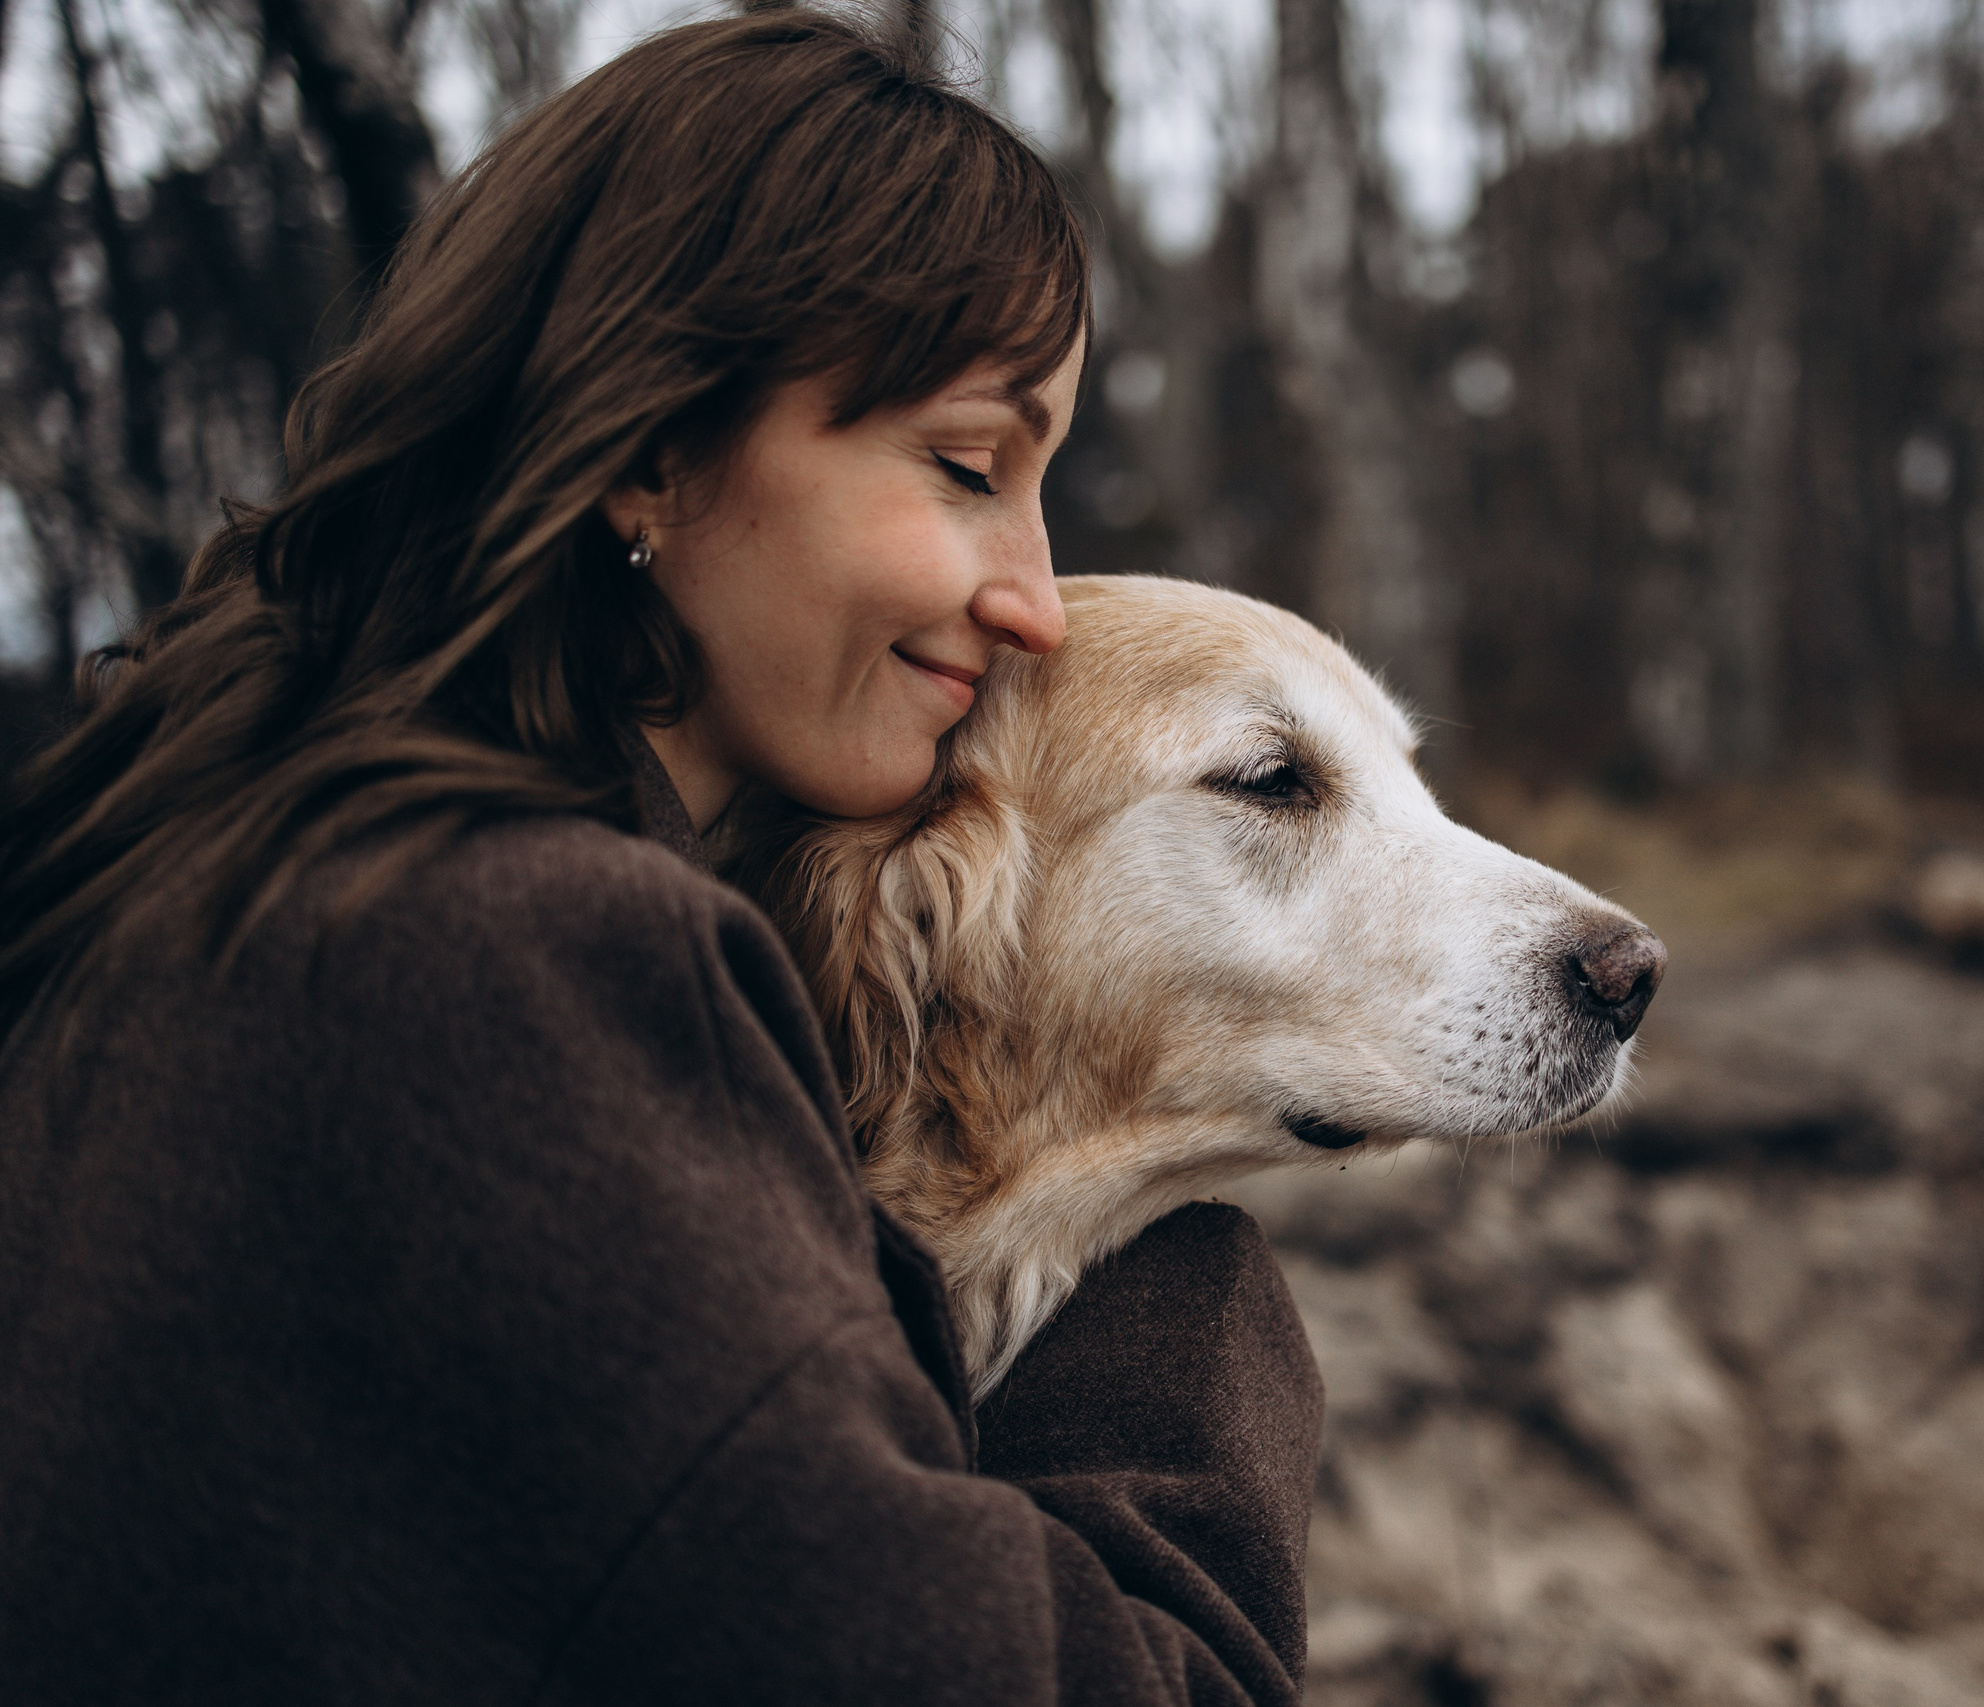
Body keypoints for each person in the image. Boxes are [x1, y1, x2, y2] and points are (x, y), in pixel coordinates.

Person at [0, 12, 1322, 1704]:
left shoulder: (222, 860)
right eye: (968, 467)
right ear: (650, 447)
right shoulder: (516, 967)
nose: (1035, 598)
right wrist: (1167, 1281)